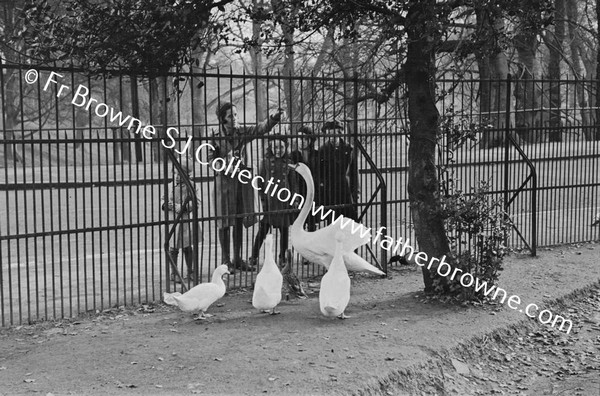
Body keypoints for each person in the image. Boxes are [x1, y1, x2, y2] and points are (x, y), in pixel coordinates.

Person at [209, 102, 285, 273]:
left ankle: (237, 258)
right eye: (230, 116)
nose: (235, 119)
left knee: (238, 220)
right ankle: (226, 260)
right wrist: (225, 164)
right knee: (224, 223)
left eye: (236, 115)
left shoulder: (242, 132)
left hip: (241, 185)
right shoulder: (214, 136)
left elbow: (260, 129)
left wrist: (274, 118)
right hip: (224, 185)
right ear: (222, 120)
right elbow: (210, 159)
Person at [249, 134, 296, 268]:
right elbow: (260, 182)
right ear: (271, 148)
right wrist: (262, 201)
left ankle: (282, 257)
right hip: (270, 202)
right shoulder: (265, 162)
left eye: (281, 147)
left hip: (284, 201)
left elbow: (293, 182)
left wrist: (294, 197)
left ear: (285, 148)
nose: (278, 150)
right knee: (263, 230)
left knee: (284, 231)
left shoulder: (289, 162)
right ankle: (254, 256)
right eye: (275, 147)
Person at [162, 161, 201, 283]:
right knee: (173, 247)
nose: (178, 176)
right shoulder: (169, 186)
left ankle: (191, 271)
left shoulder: (192, 185)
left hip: (186, 220)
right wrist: (168, 205)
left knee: (187, 246)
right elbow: (163, 199)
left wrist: (185, 207)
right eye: (176, 173)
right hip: (173, 220)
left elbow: (196, 202)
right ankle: (174, 273)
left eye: (181, 174)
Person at [316, 120, 359, 222]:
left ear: (340, 133)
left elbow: (354, 172)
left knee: (351, 223)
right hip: (330, 192)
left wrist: (356, 191)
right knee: (334, 224)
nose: (333, 136)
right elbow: (320, 173)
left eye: (336, 133)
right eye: (330, 134)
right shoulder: (322, 150)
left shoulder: (349, 149)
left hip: (346, 190)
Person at [289, 125, 319, 232]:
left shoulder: (316, 155)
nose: (301, 141)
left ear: (311, 140)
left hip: (312, 193)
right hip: (298, 192)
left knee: (312, 225)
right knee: (298, 225)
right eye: (299, 138)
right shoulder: (292, 156)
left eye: (305, 139)